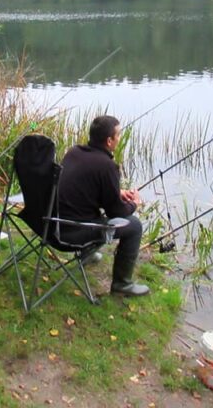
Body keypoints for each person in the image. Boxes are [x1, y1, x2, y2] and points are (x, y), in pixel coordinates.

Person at [57, 115, 149, 296]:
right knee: (134, 226)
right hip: (71, 233)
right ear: (109, 141)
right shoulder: (107, 166)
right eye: (118, 135)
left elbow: (86, 190)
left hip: (52, 224)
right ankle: (122, 284)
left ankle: (87, 254)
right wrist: (134, 204)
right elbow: (117, 212)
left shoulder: (74, 152)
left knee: (89, 211)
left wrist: (117, 192)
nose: (119, 139)